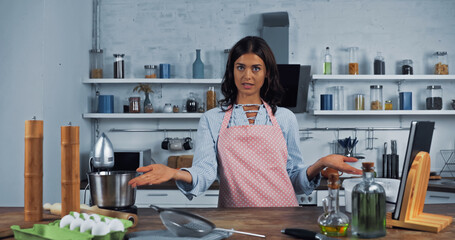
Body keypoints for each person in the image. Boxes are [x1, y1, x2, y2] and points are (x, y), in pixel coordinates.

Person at [128, 36, 362, 207]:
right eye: (240, 67)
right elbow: (205, 172)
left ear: (267, 73)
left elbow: (294, 177)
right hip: (234, 218)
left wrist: (320, 163)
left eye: (256, 68)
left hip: (284, 213)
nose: (247, 75)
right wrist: (174, 173)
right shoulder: (212, 119)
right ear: (232, 70)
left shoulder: (285, 118)